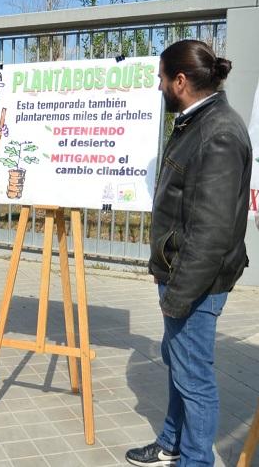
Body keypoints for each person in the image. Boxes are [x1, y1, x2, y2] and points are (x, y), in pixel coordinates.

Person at [125, 40, 252, 467]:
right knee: (180, 366)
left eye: (162, 78)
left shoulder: (218, 133)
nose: (158, 86)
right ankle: (171, 444)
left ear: (180, 81)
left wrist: (178, 296)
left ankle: (195, 460)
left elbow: (211, 234)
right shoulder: (196, 122)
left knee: (195, 379)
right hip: (182, 277)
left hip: (195, 282)